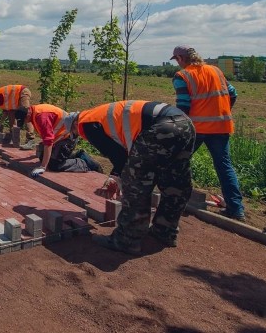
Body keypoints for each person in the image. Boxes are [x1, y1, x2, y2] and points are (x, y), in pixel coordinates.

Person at [66, 100, 196, 255]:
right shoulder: (99, 113)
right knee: (175, 181)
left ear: (75, 124)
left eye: (75, 133)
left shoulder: (87, 124)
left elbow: (119, 156)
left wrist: (116, 178)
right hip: (185, 124)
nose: (80, 136)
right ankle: (165, 230)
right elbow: (124, 152)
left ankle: (126, 240)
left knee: (136, 183)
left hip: (161, 128)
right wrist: (116, 175)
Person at [170, 45, 245, 221]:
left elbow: (183, 106)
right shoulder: (216, 71)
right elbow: (233, 93)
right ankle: (236, 209)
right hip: (221, 127)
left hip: (197, 128)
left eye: (177, 60)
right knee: (224, 167)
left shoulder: (182, 76)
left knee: (177, 161)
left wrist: (178, 129)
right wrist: (223, 112)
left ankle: (174, 199)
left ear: (180, 58)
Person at [16, 104, 101, 176]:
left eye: (24, 120)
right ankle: (78, 155)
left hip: (68, 137)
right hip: (61, 137)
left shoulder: (41, 117)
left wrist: (43, 167)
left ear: (27, 115)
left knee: (55, 165)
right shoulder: (34, 111)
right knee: (43, 157)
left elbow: (48, 142)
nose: (26, 122)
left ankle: (84, 163)